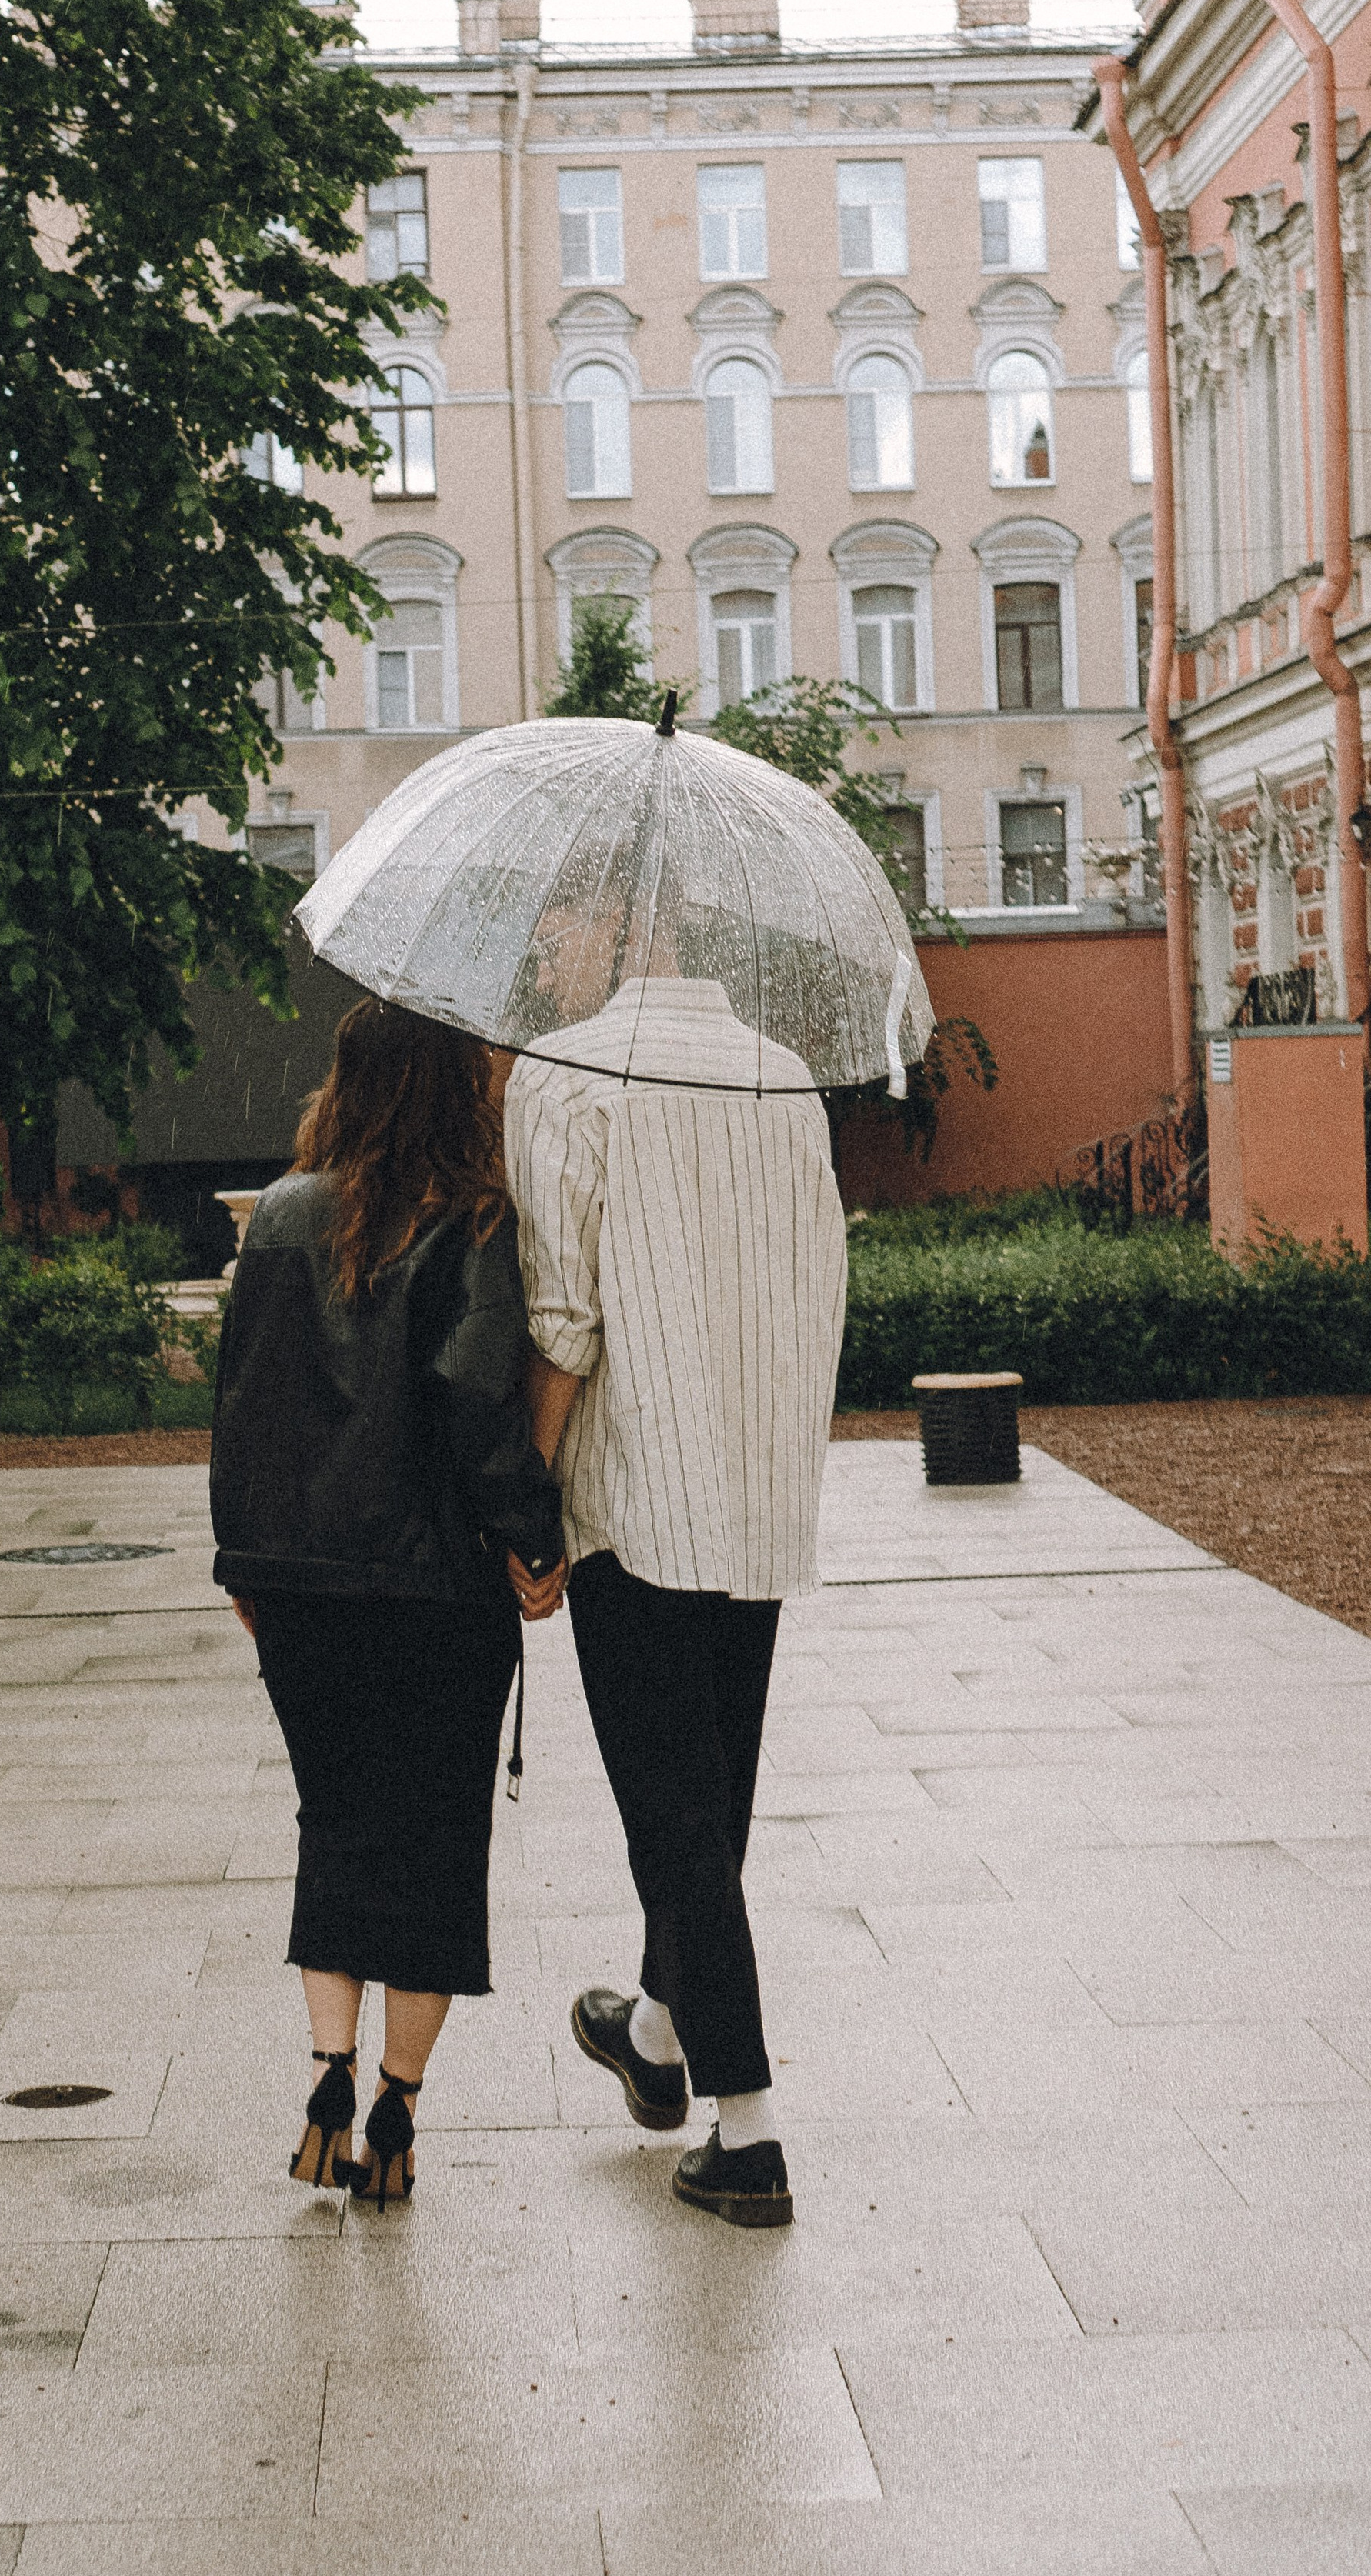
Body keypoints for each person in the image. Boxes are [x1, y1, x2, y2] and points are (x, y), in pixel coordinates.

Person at [505, 951, 846, 2228]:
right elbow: (822, 1283)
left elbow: (561, 1318)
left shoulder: (568, 1072)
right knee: (707, 1798)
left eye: (563, 925)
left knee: (674, 1817)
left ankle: (747, 2133)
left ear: (622, 932)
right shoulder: (786, 1079)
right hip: (756, 1493)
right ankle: (654, 2030)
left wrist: (525, 1498)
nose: (544, 954)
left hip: (632, 1493)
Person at [210, 995, 568, 2207]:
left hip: (303, 1590)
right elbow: (478, 1405)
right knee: (435, 1840)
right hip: (435, 1590)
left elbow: (242, 1410)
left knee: (335, 1819)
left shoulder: (280, 1217)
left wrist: (248, 1564)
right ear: (457, 1089)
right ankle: (399, 2111)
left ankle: (326, 2072)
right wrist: (533, 1538)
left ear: (347, 1086)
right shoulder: (476, 1222)